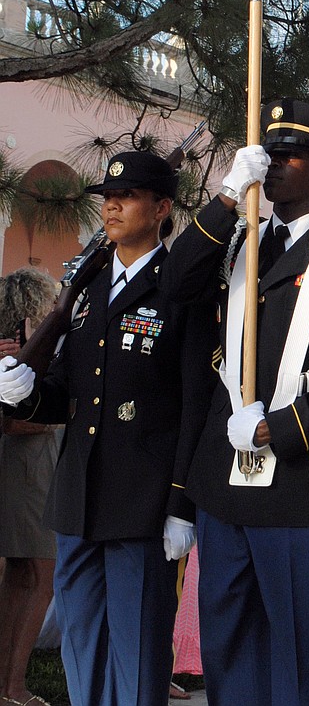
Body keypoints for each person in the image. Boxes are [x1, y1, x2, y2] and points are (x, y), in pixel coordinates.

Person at [159, 100, 309, 706]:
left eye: (290, 155)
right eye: (268, 155)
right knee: (227, 649)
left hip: (302, 484)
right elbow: (173, 286)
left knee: (299, 659)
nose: (273, 166)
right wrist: (222, 198)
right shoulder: (236, 238)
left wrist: (277, 429)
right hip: (224, 488)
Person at [0, 151, 216, 706]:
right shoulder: (91, 288)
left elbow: (195, 403)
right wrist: (27, 395)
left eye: (129, 196)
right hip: (79, 497)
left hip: (142, 503)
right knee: (82, 644)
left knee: (137, 651)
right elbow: (71, 393)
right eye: (107, 196)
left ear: (162, 207)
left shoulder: (182, 289)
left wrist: (180, 503)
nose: (111, 205)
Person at [0, 267, 61, 706]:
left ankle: (8, 686)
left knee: (21, 576)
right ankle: (15, 686)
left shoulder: (13, 343)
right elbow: (19, 415)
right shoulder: (26, 348)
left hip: (20, 466)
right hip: (33, 465)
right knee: (41, 577)